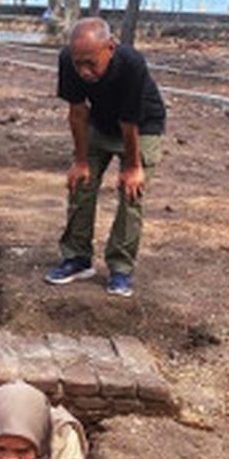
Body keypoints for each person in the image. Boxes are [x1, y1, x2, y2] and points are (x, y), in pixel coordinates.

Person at [46, 17, 167, 298]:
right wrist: (81, 161)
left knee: (131, 194)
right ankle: (77, 258)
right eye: (78, 64)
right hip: (100, 123)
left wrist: (133, 166)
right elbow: (77, 112)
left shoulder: (131, 64)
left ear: (110, 48)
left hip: (142, 125)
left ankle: (120, 268)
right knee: (81, 184)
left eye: (90, 62)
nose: (84, 71)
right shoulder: (69, 60)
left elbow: (129, 122)